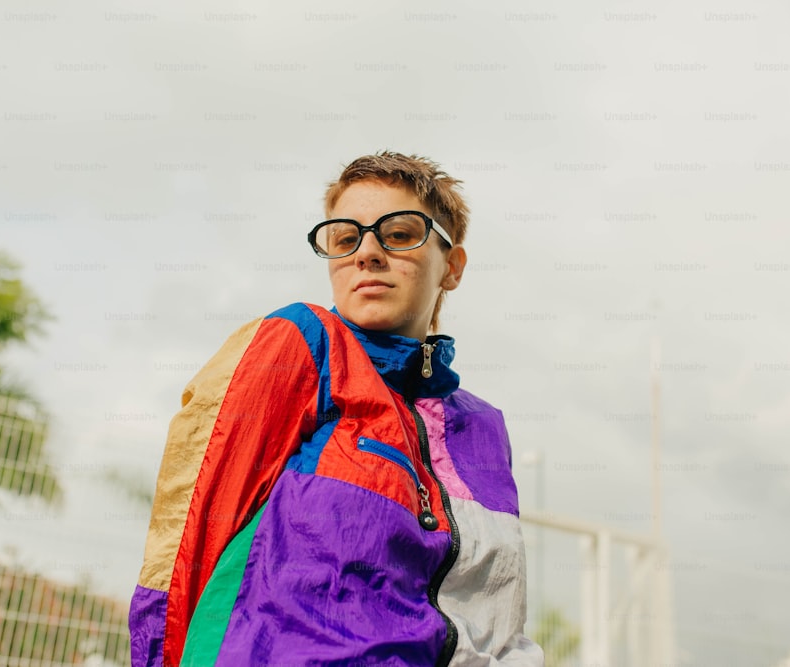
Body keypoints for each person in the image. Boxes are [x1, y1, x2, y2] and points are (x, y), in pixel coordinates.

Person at [129, 151, 544, 666]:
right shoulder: (300, 344)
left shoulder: (481, 426)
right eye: (345, 239)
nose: (367, 253)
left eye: (398, 234)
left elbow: (497, 616)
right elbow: (189, 534)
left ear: (452, 267)